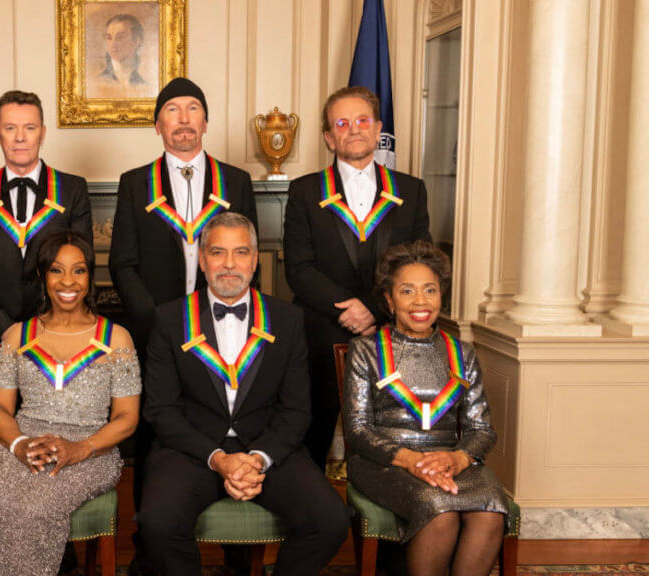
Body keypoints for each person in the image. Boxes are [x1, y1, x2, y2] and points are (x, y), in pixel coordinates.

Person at [138, 212, 349, 576]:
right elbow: (162, 410)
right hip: (192, 449)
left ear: (255, 259)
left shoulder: (287, 319)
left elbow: (297, 409)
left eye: (241, 252)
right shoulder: (169, 319)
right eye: (218, 253)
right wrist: (218, 459)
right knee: (157, 521)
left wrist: (258, 459)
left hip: (267, 448)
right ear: (202, 260)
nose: (230, 264)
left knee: (329, 520)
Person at [109, 77, 259, 573]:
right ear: (158, 125)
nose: (183, 118)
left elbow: (250, 259)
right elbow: (123, 264)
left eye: (193, 108)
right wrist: (159, 328)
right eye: (172, 110)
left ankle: (239, 554)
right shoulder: (136, 182)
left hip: (229, 333)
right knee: (157, 432)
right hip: (161, 335)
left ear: (206, 122)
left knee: (233, 426)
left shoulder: (235, 181)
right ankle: (154, 550)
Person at [0, 230, 140, 575]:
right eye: (56, 270)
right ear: (41, 276)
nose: (68, 281)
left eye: (78, 270)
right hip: (20, 440)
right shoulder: (18, 335)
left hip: (90, 449)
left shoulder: (116, 337)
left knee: (32, 510)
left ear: (90, 276)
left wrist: (80, 448)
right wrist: (19, 445)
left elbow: (127, 417)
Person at [284, 85, 431, 469]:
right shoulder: (304, 192)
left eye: (362, 120)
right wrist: (346, 311)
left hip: (391, 331)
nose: (354, 129)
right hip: (321, 332)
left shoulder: (412, 191)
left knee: (389, 436)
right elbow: (299, 269)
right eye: (342, 123)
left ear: (378, 128)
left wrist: (372, 308)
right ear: (329, 136)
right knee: (312, 433)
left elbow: (418, 264)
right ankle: (313, 511)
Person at [343, 240, 509, 576]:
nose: (420, 301)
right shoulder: (365, 350)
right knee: (440, 509)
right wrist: (413, 461)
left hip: (449, 462)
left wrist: (457, 458)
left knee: (492, 508)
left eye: (429, 290)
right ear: (389, 300)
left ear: (440, 297)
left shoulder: (463, 352)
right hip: (385, 462)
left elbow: (482, 429)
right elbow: (357, 430)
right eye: (407, 291)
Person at [0, 90, 93, 398]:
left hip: (58, 331)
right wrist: (6, 327)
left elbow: (80, 265)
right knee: (1, 431)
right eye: (10, 128)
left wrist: (46, 325)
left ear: (43, 133)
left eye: (29, 128)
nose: (20, 137)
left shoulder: (72, 189)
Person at [99, 13, 146, 87]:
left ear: (137, 41)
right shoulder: (98, 81)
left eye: (120, 37)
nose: (112, 44)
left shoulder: (144, 84)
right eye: (109, 38)